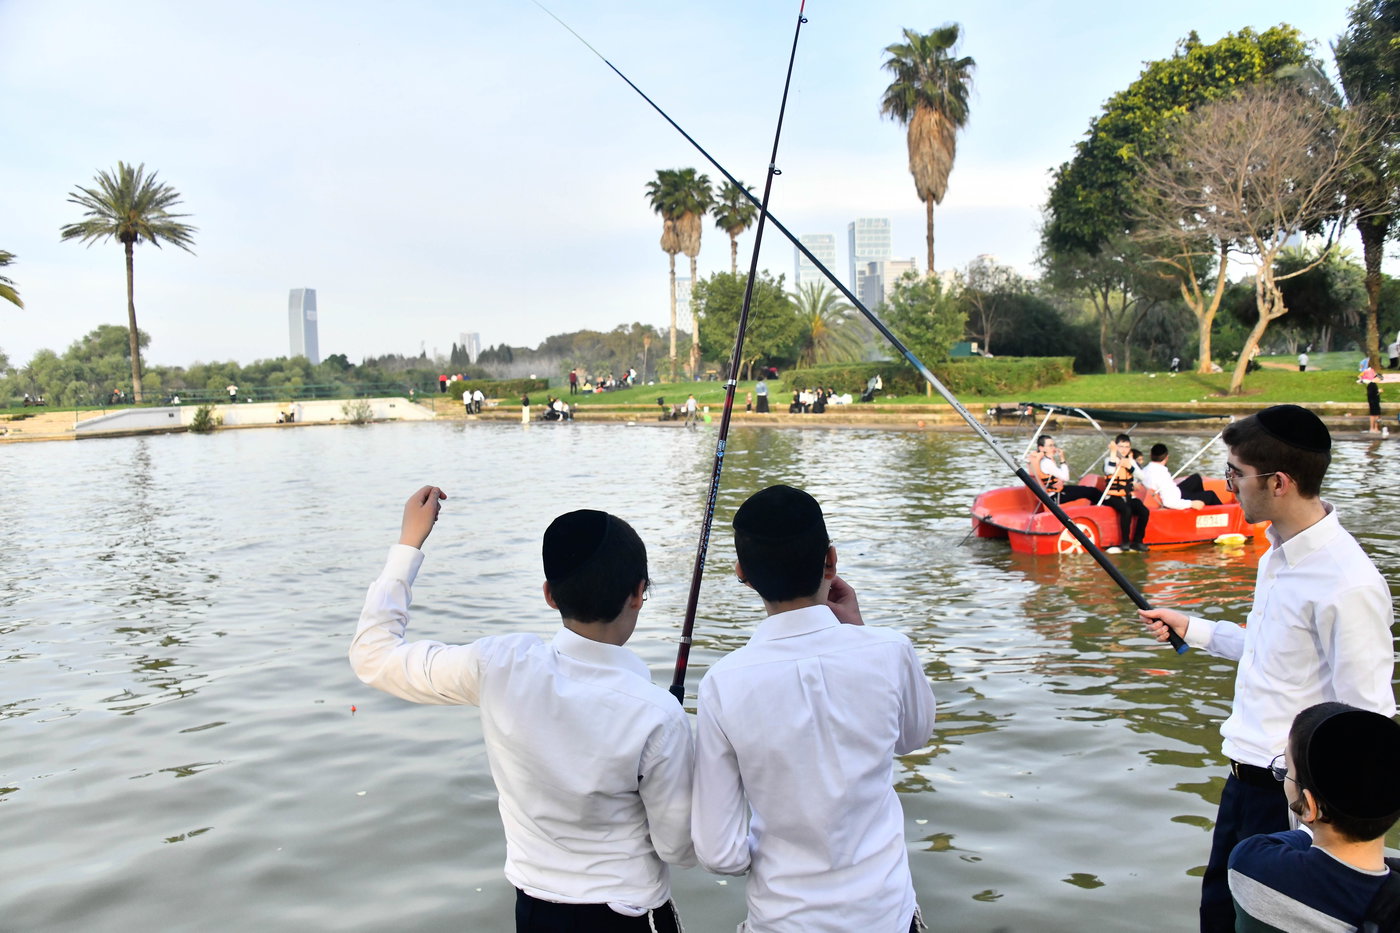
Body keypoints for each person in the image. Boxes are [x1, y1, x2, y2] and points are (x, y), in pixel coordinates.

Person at [350, 489, 694, 932]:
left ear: (550, 594)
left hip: (534, 915)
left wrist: (409, 543)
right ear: (638, 592)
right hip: (628, 917)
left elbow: (373, 656)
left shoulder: (498, 665)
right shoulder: (658, 715)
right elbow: (678, 849)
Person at [1138, 404, 1396, 933]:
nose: (1228, 484)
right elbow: (1270, 650)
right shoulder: (1275, 555)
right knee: (1215, 917)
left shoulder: (1348, 583)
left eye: (1235, 474)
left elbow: (1368, 721)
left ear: (1277, 482)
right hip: (1241, 782)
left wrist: (1317, 823)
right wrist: (1195, 628)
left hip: (1292, 803)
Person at [692, 485, 937, 932]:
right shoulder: (890, 650)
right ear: (831, 561)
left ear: (742, 573)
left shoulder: (722, 685)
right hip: (887, 917)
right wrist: (859, 631)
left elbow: (719, 854)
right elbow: (912, 737)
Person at [1228, 702, 1400, 932]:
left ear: (1309, 806)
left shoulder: (1250, 863)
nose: (1284, 776)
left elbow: (1293, 839)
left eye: (1286, 770)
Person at [1102, 433, 1148, 552]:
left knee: (1143, 511)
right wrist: (1113, 454)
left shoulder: (1130, 462)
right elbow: (1109, 471)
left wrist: (1130, 466)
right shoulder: (1109, 459)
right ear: (1116, 447)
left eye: (1127, 447)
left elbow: (1142, 476)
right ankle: (1125, 541)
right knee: (1126, 510)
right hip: (1111, 496)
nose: (1124, 450)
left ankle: (1138, 541)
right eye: (1121, 446)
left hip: (1127, 496)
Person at [1140, 443, 1221, 509]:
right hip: (1177, 499)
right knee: (1210, 495)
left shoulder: (1145, 470)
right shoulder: (1162, 476)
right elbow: (1169, 502)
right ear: (1166, 457)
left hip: (1174, 492)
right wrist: (1192, 503)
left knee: (1196, 478)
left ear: (1151, 455)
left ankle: (1201, 509)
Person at [1028, 435, 1099, 504]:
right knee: (1091, 492)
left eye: (1054, 445)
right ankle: (1106, 506)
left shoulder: (1043, 460)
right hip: (1055, 497)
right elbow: (1066, 478)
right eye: (1050, 446)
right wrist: (1062, 458)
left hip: (1055, 493)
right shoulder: (1046, 463)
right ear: (1041, 448)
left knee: (1089, 490)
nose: (1053, 448)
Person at [1361, 367, 1382, 433]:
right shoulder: (1372, 385)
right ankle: (1374, 428)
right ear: (1377, 378)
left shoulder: (1372, 385)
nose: (1379, 381)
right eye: (1380, 379)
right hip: (1374, 402)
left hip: (1373, 402)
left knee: (1374, 415)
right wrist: (1378, 392)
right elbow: (1371, 394)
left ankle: (1374, 428)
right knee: (1375, 415)